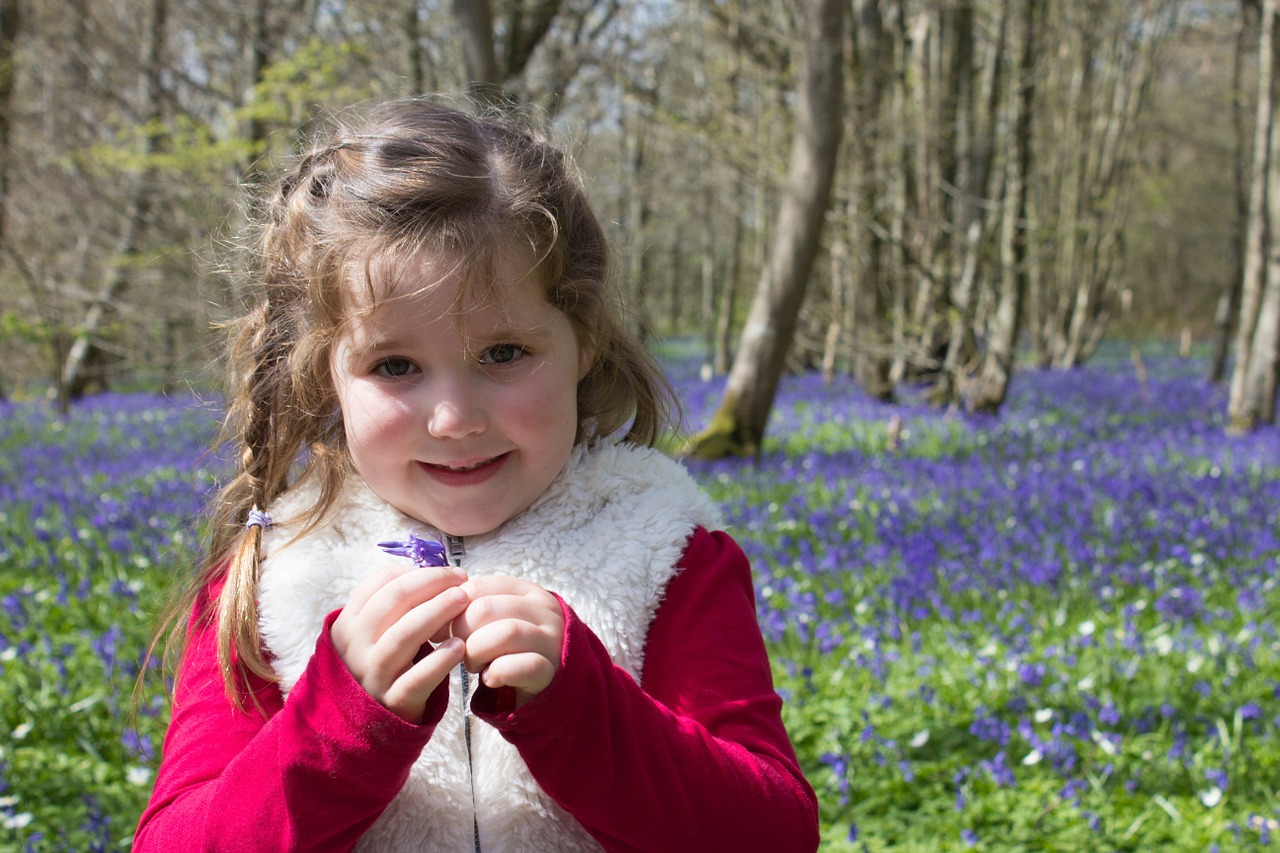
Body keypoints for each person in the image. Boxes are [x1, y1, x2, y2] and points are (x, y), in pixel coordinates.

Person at [134, 98, 819, 853]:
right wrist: (340, 723)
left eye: (504, 354)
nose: (454, 417)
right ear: (326, 374)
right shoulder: (272, 580)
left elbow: (775, 832)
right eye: (395, 366)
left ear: (582, 339)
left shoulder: (667, 553)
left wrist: (586, 712)